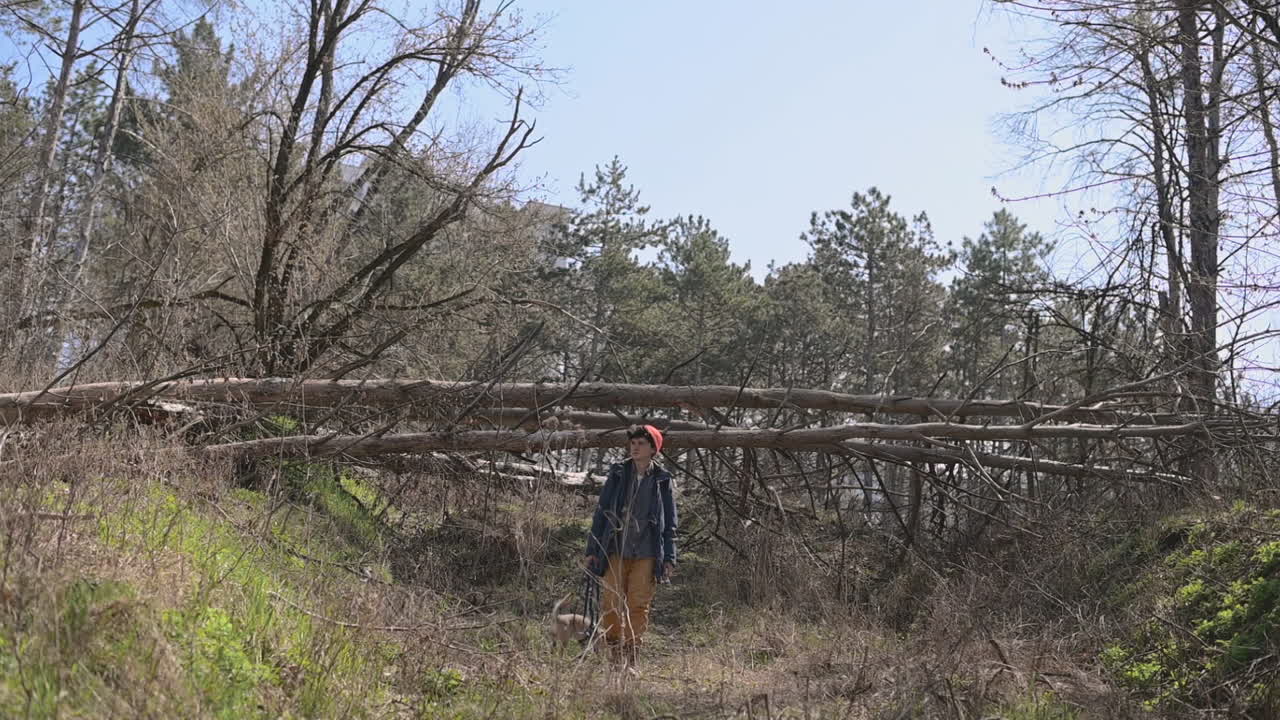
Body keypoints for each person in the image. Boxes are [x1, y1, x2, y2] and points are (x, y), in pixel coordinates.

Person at [583, 425, 677, 672]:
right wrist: (592, 550)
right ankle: (615, 655)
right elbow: (601, 514)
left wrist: (669, 556)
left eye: (641, 444)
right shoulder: (617, 474)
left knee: (638, 604)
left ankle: (631, 658)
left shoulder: (662, 480)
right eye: (633, 443)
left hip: (647, 552)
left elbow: (670, 522)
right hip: (615, 549)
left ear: (653, 449)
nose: (635, 447)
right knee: (611, 602)